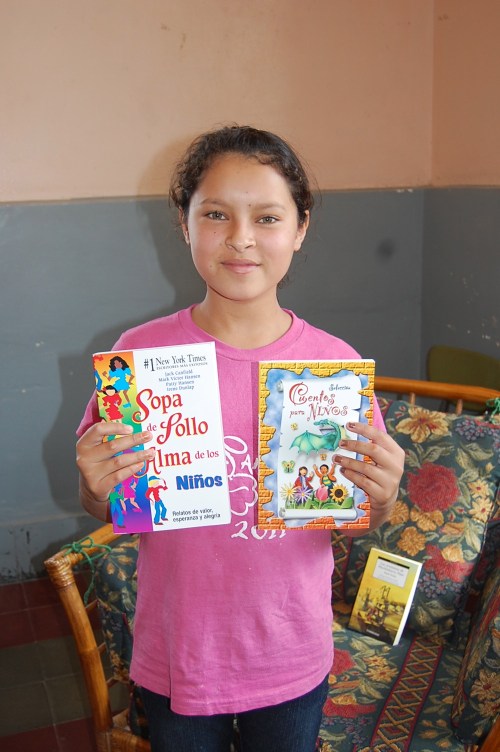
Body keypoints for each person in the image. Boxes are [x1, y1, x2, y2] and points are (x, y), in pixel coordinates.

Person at [76, 125, 405, 752]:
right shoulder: (137, 359)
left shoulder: (333, 368)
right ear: (184, 223)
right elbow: (112, 506)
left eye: (268, 217)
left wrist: (382, 497)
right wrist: (96, 488)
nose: (241, 237)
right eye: (216, 214)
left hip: (291, 653)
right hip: (179, 652)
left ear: (300, 229)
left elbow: (359, 519)